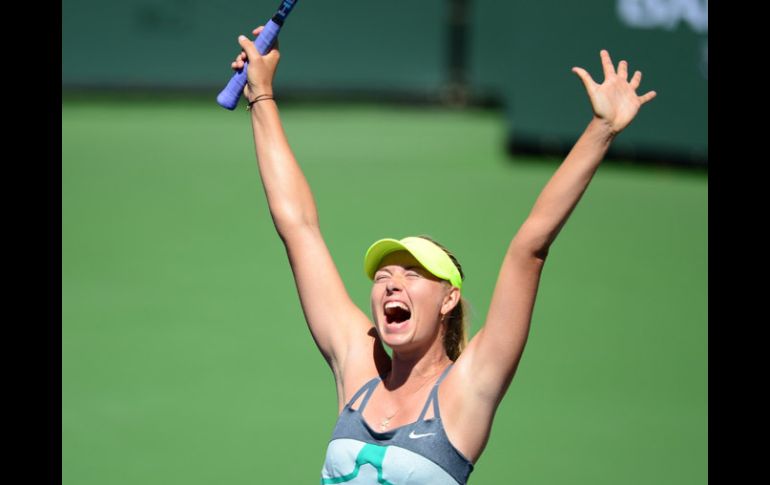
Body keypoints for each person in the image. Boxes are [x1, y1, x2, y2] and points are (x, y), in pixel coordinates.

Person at [230, 26, 656, 484]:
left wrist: (602, 129)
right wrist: (262, 95)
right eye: (383, 276)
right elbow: (299, 229)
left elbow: (529, 248)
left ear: (448, 298)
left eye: (412, 274)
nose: (391, 283)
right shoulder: (359, 365)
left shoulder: (471, 386)